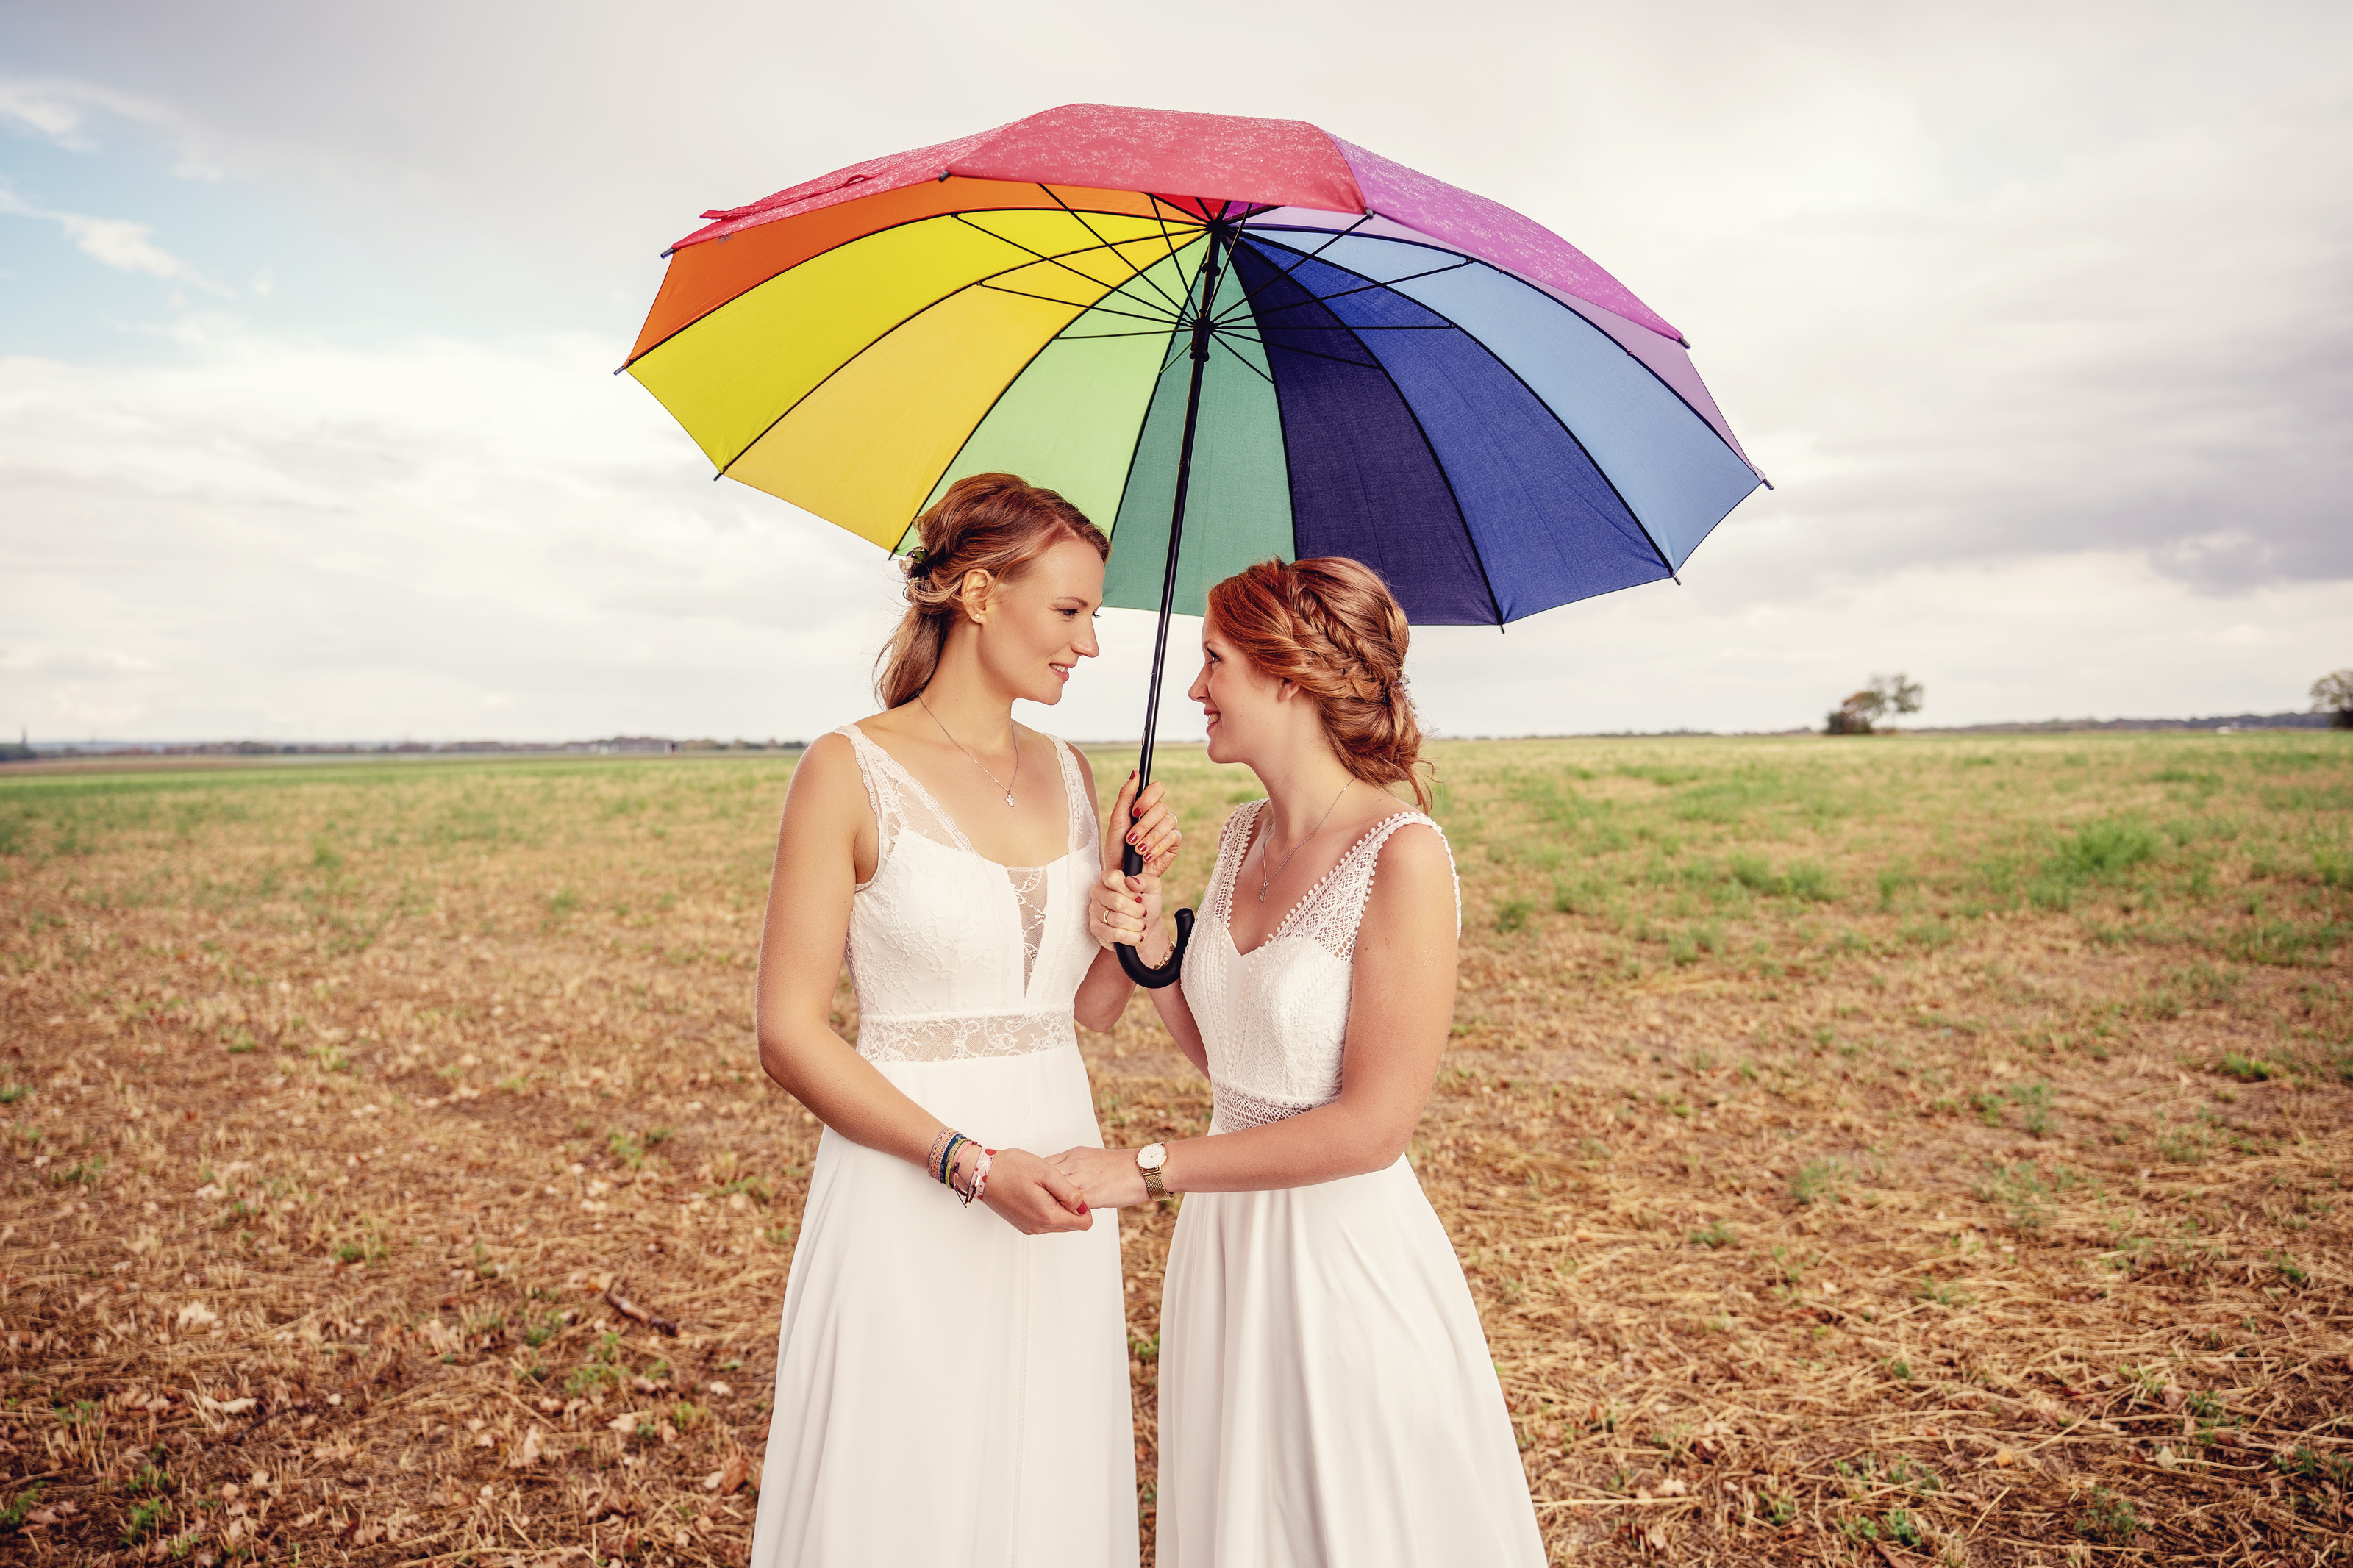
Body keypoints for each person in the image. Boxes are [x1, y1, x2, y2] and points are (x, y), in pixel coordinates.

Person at [1063, 557, 1545, 1568]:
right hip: (1225, 1251)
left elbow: (1374, 1128)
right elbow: (1233, 1061)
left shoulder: (1402, 855)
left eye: (1215, 661)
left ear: (1289, 677)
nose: (1195, 688)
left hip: (1338, 1263)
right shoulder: (1242, 836)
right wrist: (1152, 952)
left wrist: (1146, 1169)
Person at [747, 473, 1180, 1568]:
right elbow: (790, 1035)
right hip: (911, 1181)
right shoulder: (847, 770)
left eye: (1095, 615)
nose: (1089, 645)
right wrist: (971, 1165)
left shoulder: (1079, 777)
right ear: (980, 594)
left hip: (1060, 1171)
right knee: (909, 1489)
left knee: (1044, 1483)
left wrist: (1134, 911)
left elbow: (1077, 1010)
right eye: (1071, 610)